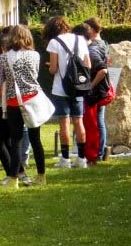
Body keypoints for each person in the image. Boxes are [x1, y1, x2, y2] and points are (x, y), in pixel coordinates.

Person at [0, 25, 47, 186]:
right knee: (35, 138)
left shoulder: (3, 58)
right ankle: (41, 176)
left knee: (16, 139)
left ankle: (13, 178)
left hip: (14, 101)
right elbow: (35, 75)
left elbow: (2, 80)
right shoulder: (35, 55)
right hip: (32, 98)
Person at [44, 16, 91, 169]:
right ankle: (82, 159)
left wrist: (49, 65)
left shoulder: (54, 42)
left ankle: (65, 160)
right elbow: (88, 64)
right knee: (79, 121)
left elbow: (53, 69)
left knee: (64, 122)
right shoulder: (80, 40)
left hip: (60, 88)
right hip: (78, 87)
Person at [0, 29, 21, 185]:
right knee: (8, 140)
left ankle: (12, 173)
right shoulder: (23, 56)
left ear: (1, 47)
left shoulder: (3, 59)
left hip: (6, 104)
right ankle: (18, 172)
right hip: (18, 101)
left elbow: (3, 85)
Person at [84, 17, 110, 160]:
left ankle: (98, 152)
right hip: (103, 87)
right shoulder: (104, 44)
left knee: (97, 120)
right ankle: (101, 150)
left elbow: (102, 70)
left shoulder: (93, 48)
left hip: (97, 88)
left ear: (92, 30)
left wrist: (91, 85)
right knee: (100, 118)